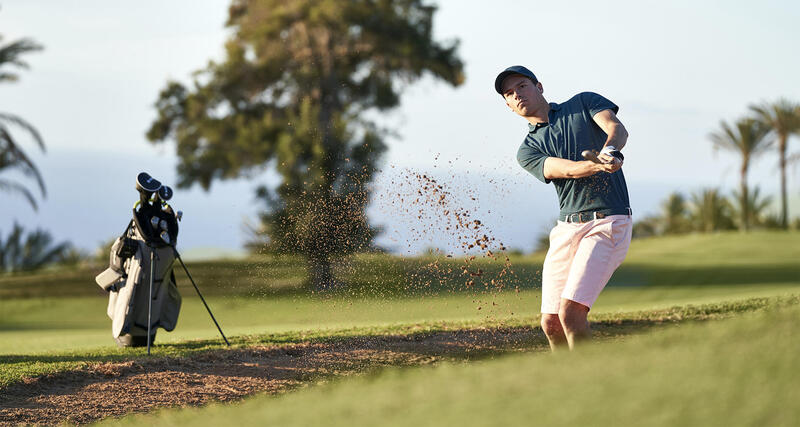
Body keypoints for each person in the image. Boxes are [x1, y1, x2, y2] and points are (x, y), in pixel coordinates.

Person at [495, 65, 633, 351]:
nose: (517, 94)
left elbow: (616, 128)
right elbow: (567, 170)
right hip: (566, 229)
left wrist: (610, 151)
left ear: (539, 87)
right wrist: (595, 164)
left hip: (607, 222)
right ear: (508, 106)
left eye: (522, 86)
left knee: (571, 313)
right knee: (551, 322)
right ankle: (565, 383)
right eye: (509, 93)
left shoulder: (583, 103)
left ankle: (587, 386)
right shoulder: (527, 150)